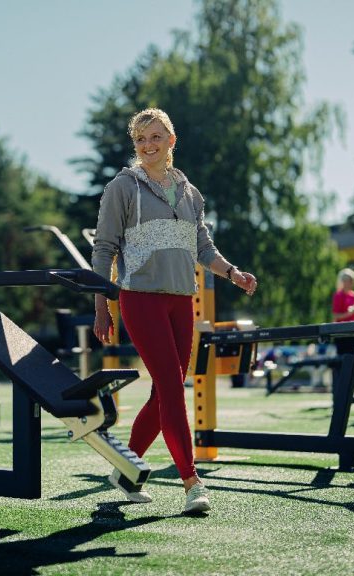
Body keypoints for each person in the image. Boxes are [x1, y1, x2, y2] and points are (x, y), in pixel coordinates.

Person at [92, 108, 258, 514]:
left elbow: (203, 248)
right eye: (140, 139)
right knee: (170, 387)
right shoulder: (123, 187)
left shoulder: (190, 194)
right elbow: (104, 249)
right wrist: (102, 305)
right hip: (140, 298)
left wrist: (233, 273)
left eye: (155, 137)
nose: (148, 146)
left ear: (171, 140)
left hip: (181, 299)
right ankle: (191, 482)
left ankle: (124, 467)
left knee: (162, 391)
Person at [331, 268, 354, 356]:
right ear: (343, 281)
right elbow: (336, 315)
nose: (352, 283)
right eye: (350, 280)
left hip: (352, 331)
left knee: (353, 356)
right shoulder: (338, 295)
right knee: (342, 359)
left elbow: (353, 316)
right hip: (341, 333)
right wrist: (349, 313)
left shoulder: (353, 295)